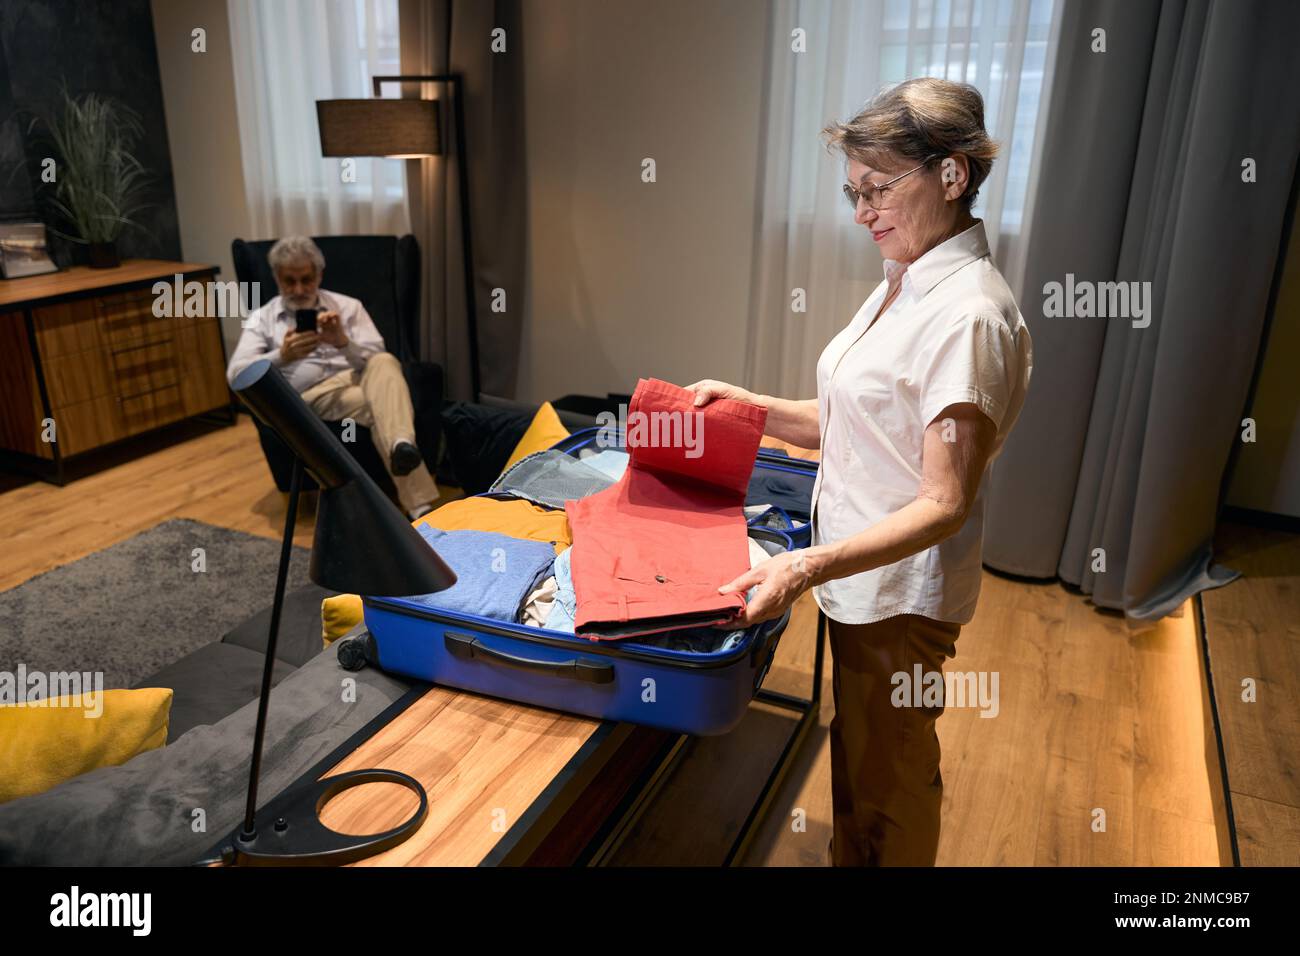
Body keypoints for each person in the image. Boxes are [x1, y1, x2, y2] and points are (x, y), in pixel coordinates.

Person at [688, 77, 1033, 866]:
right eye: (853, 192)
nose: (860, 213)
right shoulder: (905, 282)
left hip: (899, 596)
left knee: (890, 783)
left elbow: (944, 501)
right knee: (865, 764)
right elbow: (853, 421)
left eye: (878, 189)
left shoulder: (967, 315)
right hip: (864, 578)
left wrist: (802, 566)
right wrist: (751, 406)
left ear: (952, 175)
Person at [226, 236, 439, 520]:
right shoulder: (262, 319)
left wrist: (342, 342)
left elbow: (378, 355)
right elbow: (235, 374)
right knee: (383, 405)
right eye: (289, 281)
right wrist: (281, 355)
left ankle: (403, 449)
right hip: (311, 394)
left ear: (319, 275)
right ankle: (418, 501)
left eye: (306, 279)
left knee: (384, 361)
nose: (299, 289)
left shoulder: (348, 307)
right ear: (276, 277)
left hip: (358, 379)